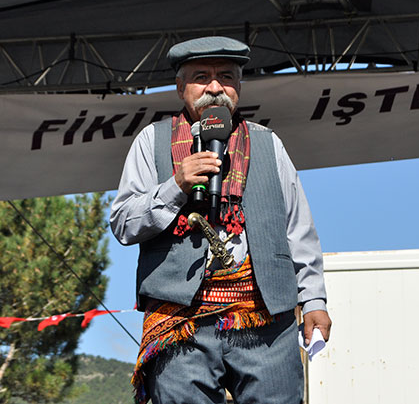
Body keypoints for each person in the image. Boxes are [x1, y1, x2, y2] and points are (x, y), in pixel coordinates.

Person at [111, 36, 331, 404]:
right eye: (201, 77)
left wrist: (314, 301)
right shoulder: (151, 141)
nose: (215, 88)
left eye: (226, 77)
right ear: (181, 88)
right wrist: (176, 185)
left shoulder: (267, 143)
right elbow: (123, 224)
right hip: (180, 322)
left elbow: (298, 229)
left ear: (239, 88)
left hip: (264, 318)